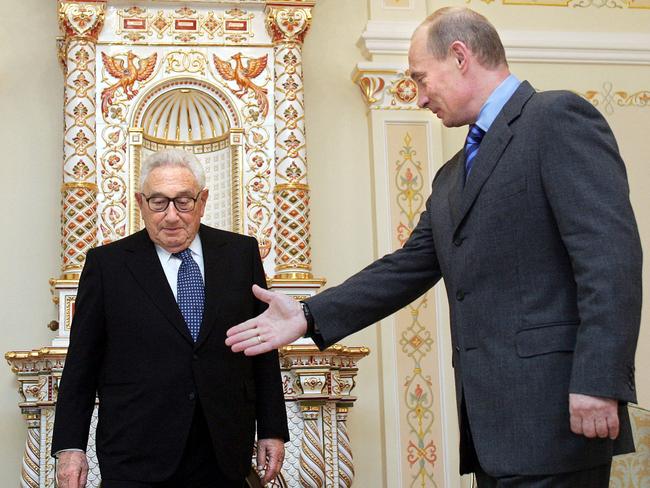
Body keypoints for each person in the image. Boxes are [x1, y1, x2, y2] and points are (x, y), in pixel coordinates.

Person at [225, 7, 642, 487]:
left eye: (422, 79)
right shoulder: (450, 178)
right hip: (492, 430)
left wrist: (598, 380)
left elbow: (610, 260)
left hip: (560, 412)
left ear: (460, 56)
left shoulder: (555, 118)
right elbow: (407, 267)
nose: (420, 98)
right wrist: (307, 314)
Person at [52, 148, 289, 488]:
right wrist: (69, 447)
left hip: (222, 452)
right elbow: (81, 365)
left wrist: (272, 428)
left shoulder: (241, 254)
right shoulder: (107, 265)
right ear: (140, 203)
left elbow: (262, 348)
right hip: (135, 453)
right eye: (159, 202)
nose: (171, 216)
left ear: (203, 201)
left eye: (183, 201)